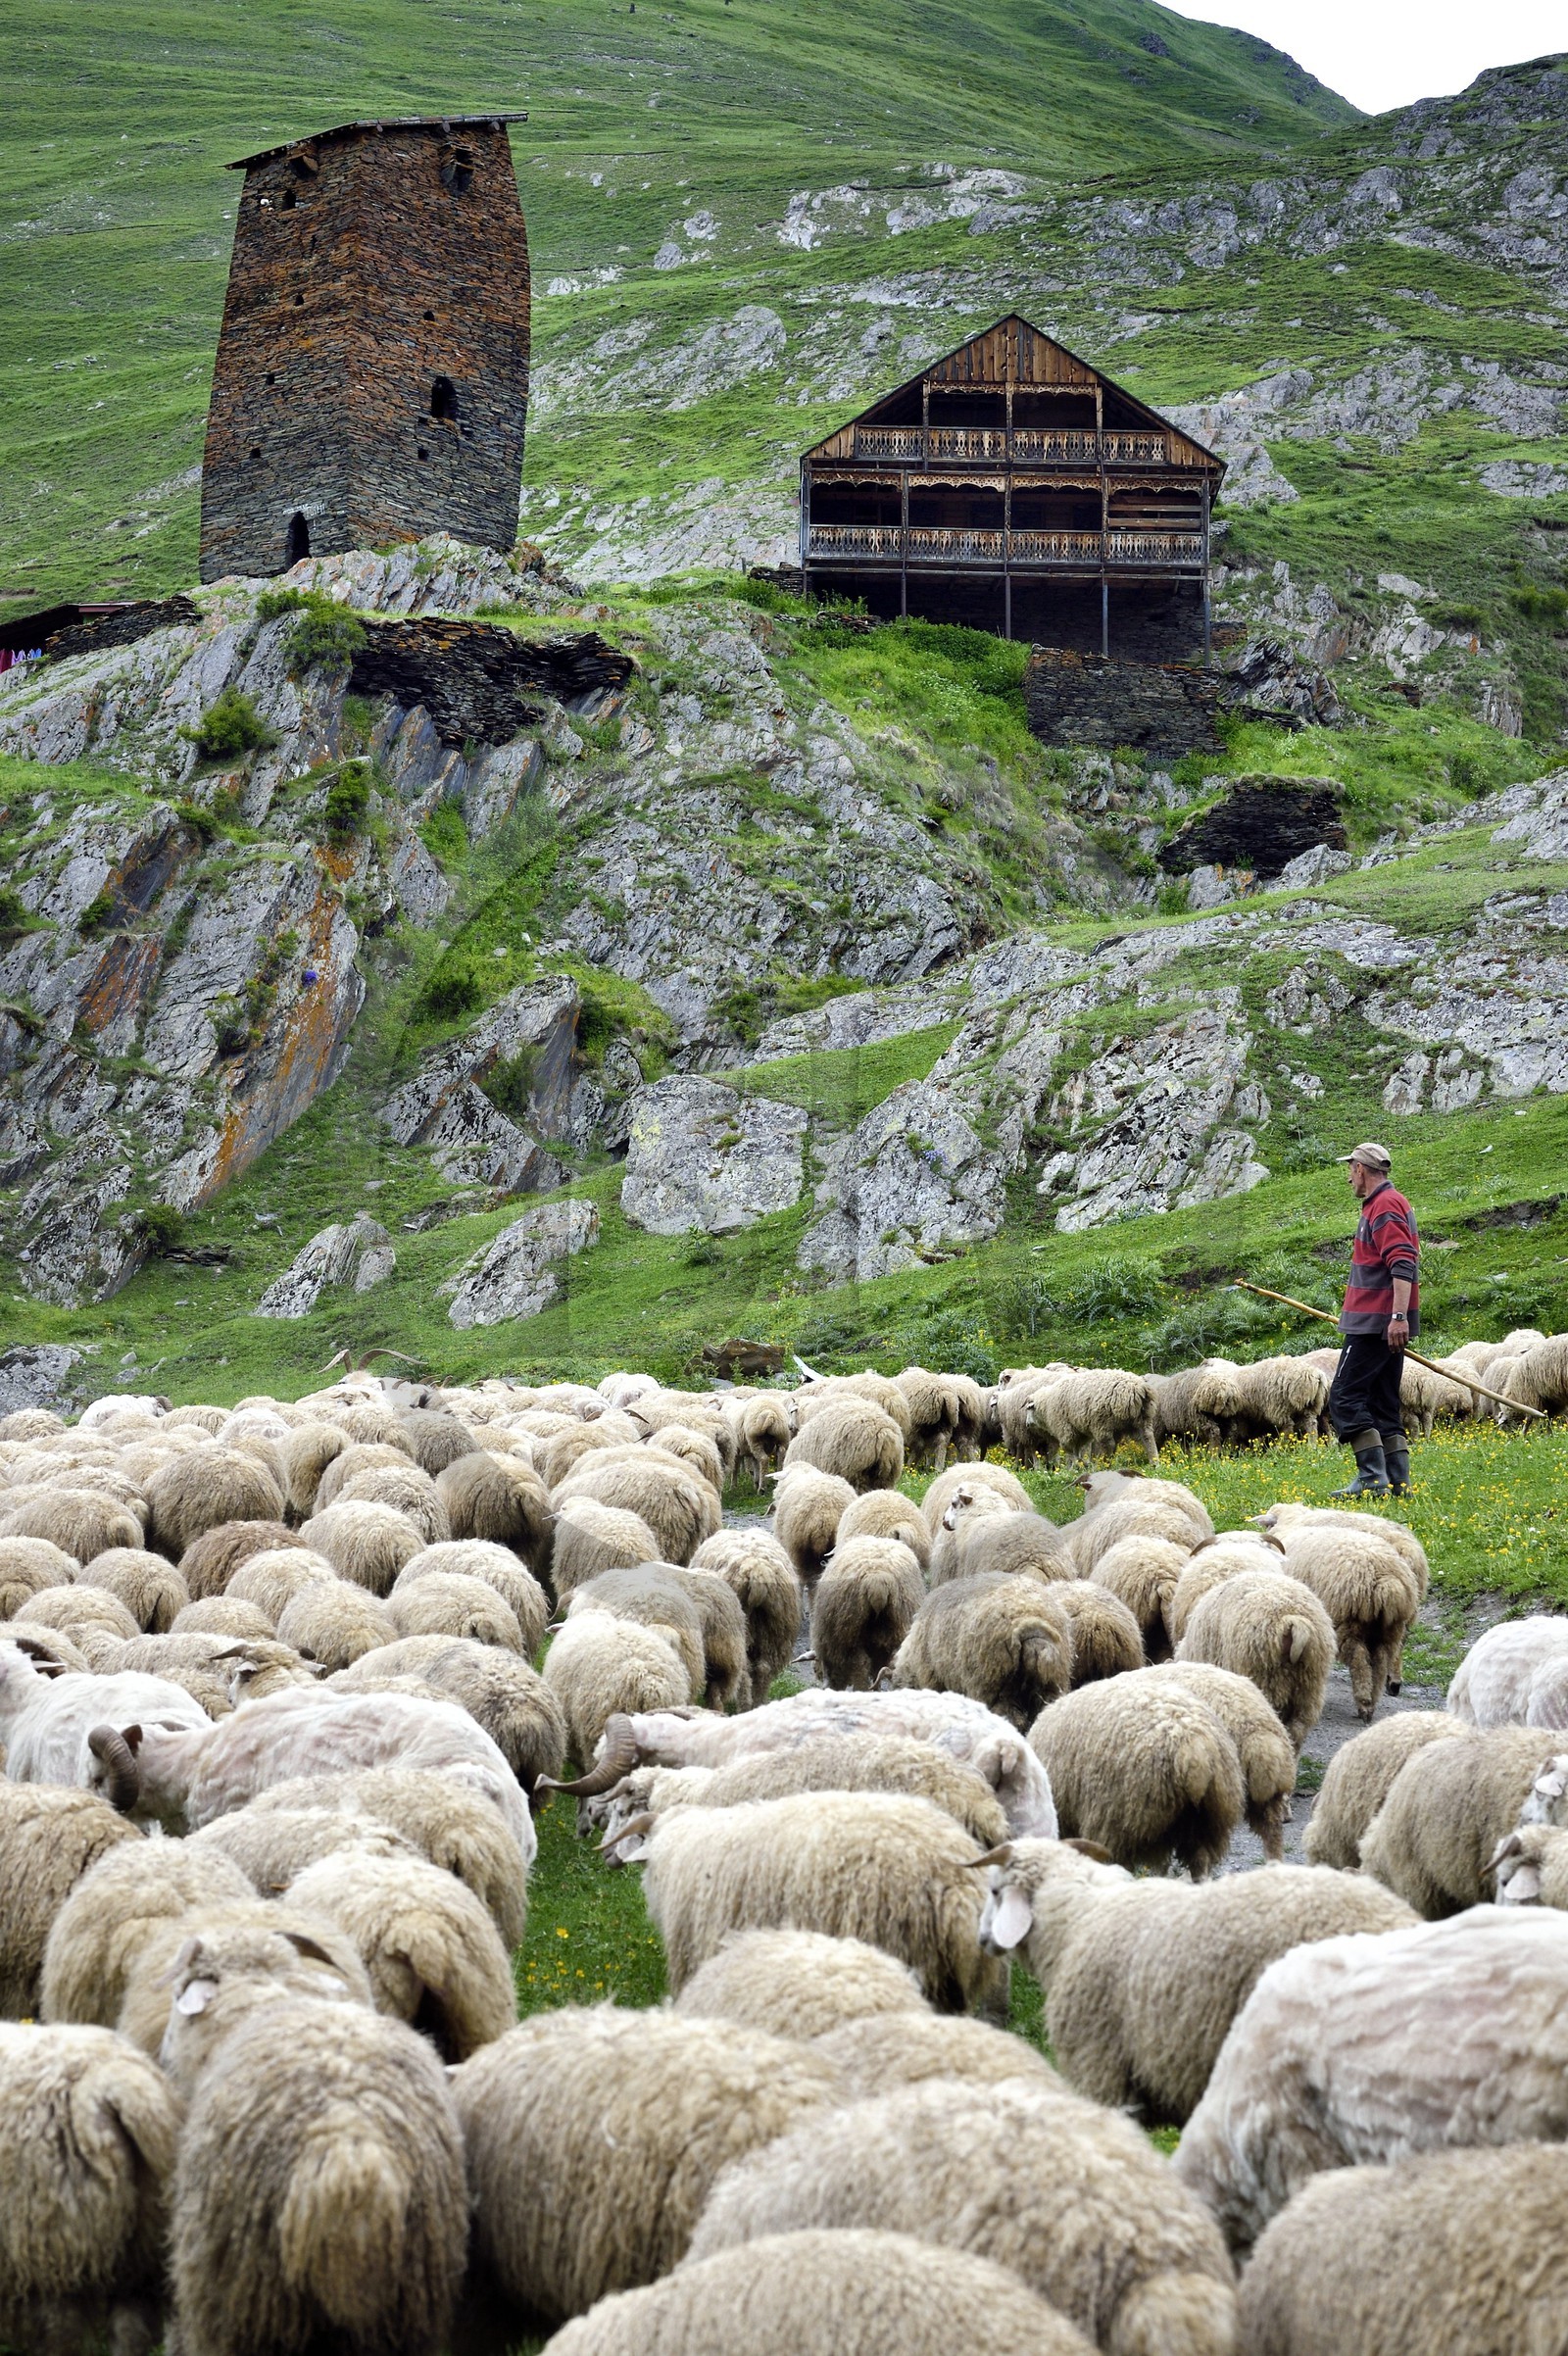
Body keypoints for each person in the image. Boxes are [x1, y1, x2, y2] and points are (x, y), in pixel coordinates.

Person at [1327, 1141, 1419, 1497]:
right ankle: (1398, 1482)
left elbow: (1402, 1261)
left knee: (1344, 1396)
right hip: (1382, 1320)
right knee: (1383, 1401)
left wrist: (1397, 1316)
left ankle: (1371, 1478)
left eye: (1350, 1170)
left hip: (1375, 1322)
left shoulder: (1384, 1205)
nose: (1348, 1178)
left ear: (1361, 1169)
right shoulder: (1387, 1203)